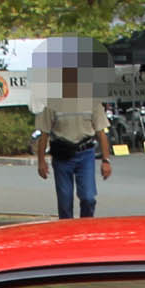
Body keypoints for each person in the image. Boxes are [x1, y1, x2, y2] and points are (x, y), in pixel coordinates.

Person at [30, 37, 115, 219]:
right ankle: (67, 235)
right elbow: (44, 133)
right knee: (65, 202)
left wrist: (106, 160)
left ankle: (85, 227)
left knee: (88, 198)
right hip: (62, 155)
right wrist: (41, 161)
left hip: (85, 153)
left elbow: (101, 132)